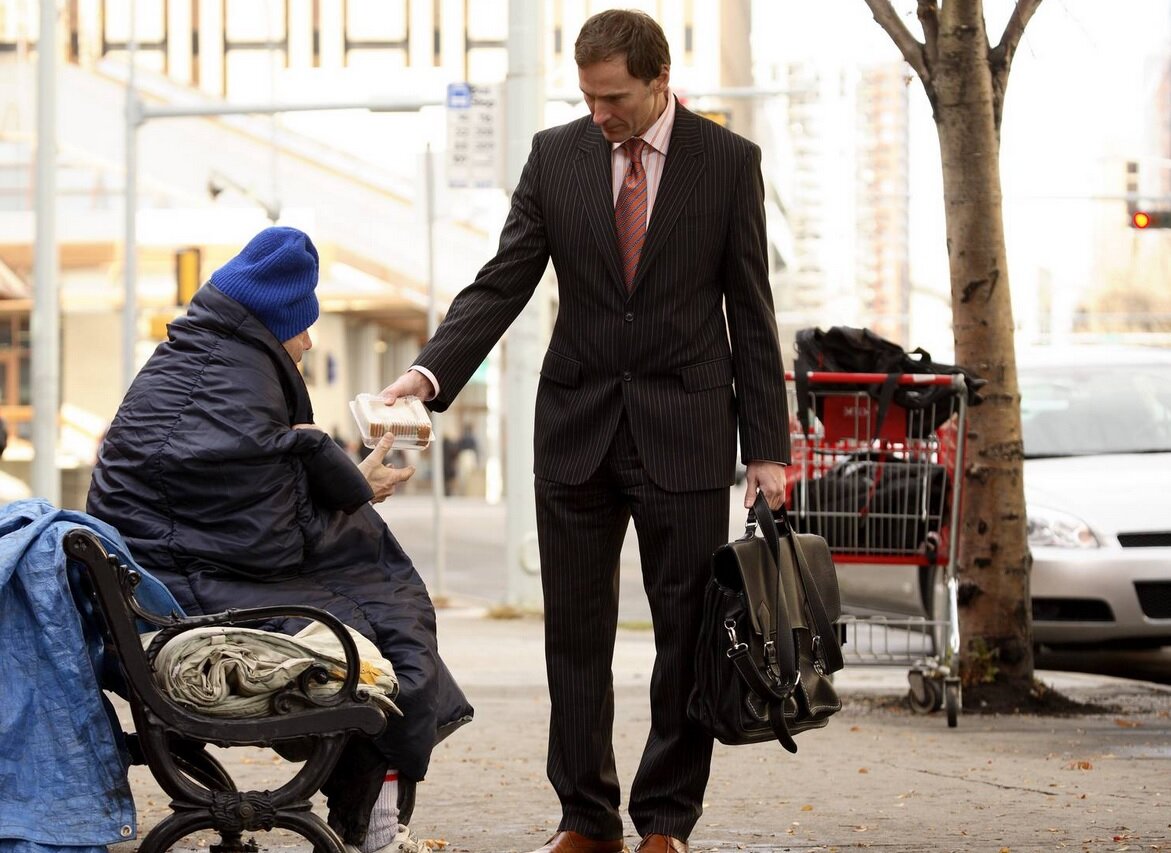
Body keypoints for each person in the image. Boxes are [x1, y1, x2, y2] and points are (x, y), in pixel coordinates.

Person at [380, 11, 790, 853]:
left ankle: (665, 820)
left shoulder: (726, 162)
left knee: (685, 634)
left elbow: (750, 311)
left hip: (685, 429)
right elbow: (502, 281)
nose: (599, 114)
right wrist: (427, 375)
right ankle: (585, 816)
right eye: (588, 97)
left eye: (614, 98)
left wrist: (767, 450)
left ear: (659, 80)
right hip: (576, 427)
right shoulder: (555, 155)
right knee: (572, 635)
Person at [87, 226, 472, 853]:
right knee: (386, 646)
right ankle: (374, 825)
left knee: (383, 625)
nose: (309, 341)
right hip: (181, 603)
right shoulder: (237, 383)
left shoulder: (194, 365)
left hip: (155, 591)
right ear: (274, 325)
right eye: (301, 327)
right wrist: (356, 491)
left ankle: (371, 818)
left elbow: (243, 504)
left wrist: (345, 481)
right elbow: (270, 543)